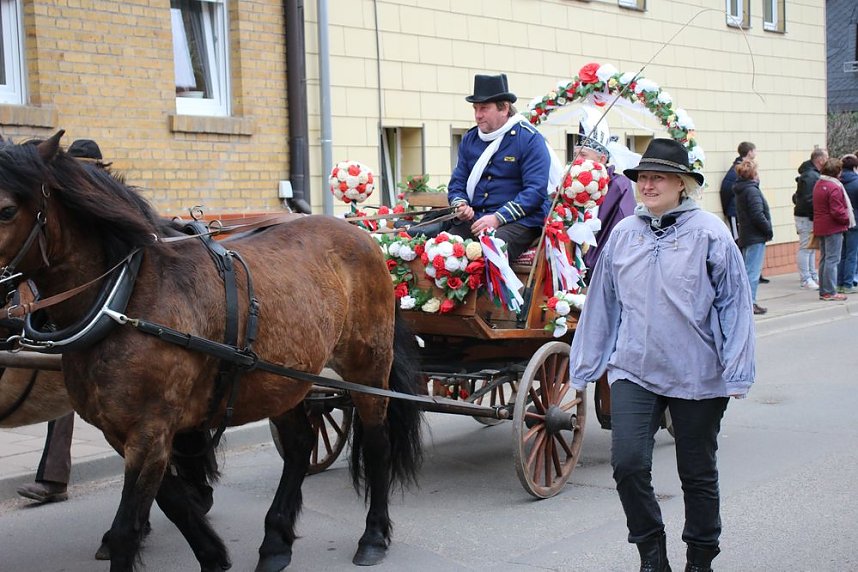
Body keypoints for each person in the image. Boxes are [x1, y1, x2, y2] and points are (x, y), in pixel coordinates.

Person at [569, 139, 755, 572]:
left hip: (698, 373)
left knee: (697, 473)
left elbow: (735, 303)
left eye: (658, 178)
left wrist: (737, 369)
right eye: (642, 178)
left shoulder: (710, 232)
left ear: (682, 184)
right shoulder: (624, 234)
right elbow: (602, 302)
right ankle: (652, 553)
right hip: (634, 368)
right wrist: (586, 365)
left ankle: (701, 558)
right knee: (628, 464)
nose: (647, 185)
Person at [15, 138, 108, 505]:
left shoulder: (105, 203)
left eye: (90, 168)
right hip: (56, 306)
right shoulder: (61, 202)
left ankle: (54, 478)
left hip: (102, 310)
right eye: (78, 167)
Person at [447, 73, 552, 262]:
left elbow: (535, 191)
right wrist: (460, 205)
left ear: (504, 108)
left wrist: (498, 218)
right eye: (475, 108)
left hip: (519, 221)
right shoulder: (470, 139)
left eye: (484, 108)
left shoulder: (528, 139)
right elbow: (457, 183)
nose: (478, 115)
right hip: (477, 219)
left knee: (494, 248)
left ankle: (498, 293)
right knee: (445, 248)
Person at [575, 126, 637, 275]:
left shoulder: (618, 185)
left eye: (583, 154)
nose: (577, 160)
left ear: (602, 159)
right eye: (575, 154)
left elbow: (623, 225)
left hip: (604, 266)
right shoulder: (571, 184)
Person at [733, 158, 773, 315]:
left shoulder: (740, 189)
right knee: (752, 272)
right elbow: (757, 213)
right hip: (755, 235)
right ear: (753, 174)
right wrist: (768, 229)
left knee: (747, 270)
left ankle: (745, 302)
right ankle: (750, 303)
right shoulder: (752, 190)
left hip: (746, 234)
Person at [813, 157, 853, 301]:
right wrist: (847, 218)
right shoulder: (834, 187)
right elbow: (837, 210)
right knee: (832, 260)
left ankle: (824, 290)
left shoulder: (819, 183)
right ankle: (830, 291)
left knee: (825, 259)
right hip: (833, 227)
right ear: (837, 171)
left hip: (821, 225)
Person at [793, 148, 828, 289]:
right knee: (806, 247)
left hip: (808, 217)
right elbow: (808, 200)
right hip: (806, 217)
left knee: (812, 247)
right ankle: (806, 278)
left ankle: (812, 275)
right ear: (820, 160)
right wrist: (816, 216)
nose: (827, 160)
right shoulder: (810, 176)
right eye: (826, 157)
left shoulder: (811, 174)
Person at [837, 154, 858, 294]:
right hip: (855, 221)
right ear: (855, 167)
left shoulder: (837, 182)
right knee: (852, 254)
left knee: (842, 254)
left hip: (841, 221)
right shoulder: (856, 182)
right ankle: (848, 284)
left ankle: (839, 283)